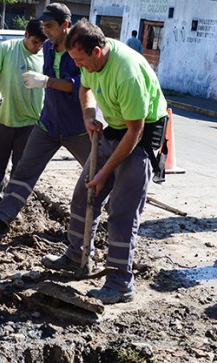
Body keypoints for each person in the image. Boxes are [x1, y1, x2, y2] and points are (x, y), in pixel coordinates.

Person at [40, 21, 168, 304]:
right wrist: (88, 115)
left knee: (122, 209)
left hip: (143, 132)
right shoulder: (89, 64)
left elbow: (135, 131)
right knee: (83, 194)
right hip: (115, 126)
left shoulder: (126, 74)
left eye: (81, 60)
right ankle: (77, 256)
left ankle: (120, 282)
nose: (78, 66)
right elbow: (84, 90)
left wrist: (104, 175)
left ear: (97, 52)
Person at [0, 3, 92, 242]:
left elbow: (80, 85)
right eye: (43, 27)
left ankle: (107, 223)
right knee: (23, 172)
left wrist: (46, 81)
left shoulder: (78, 49)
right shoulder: (47, 48)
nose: (46, 32)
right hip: (47, 124)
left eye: (50, 26)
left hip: (76, 127)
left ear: (66, 25)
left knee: (98, 173)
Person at [0, 19, 47, 209]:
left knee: (22, 167)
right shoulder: (7, 49)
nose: (38, 47)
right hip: (3, 118)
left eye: (42, 43)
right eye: (35, 42)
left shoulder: (46, 56)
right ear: (26, 35)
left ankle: (11, 204)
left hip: (31, 122)